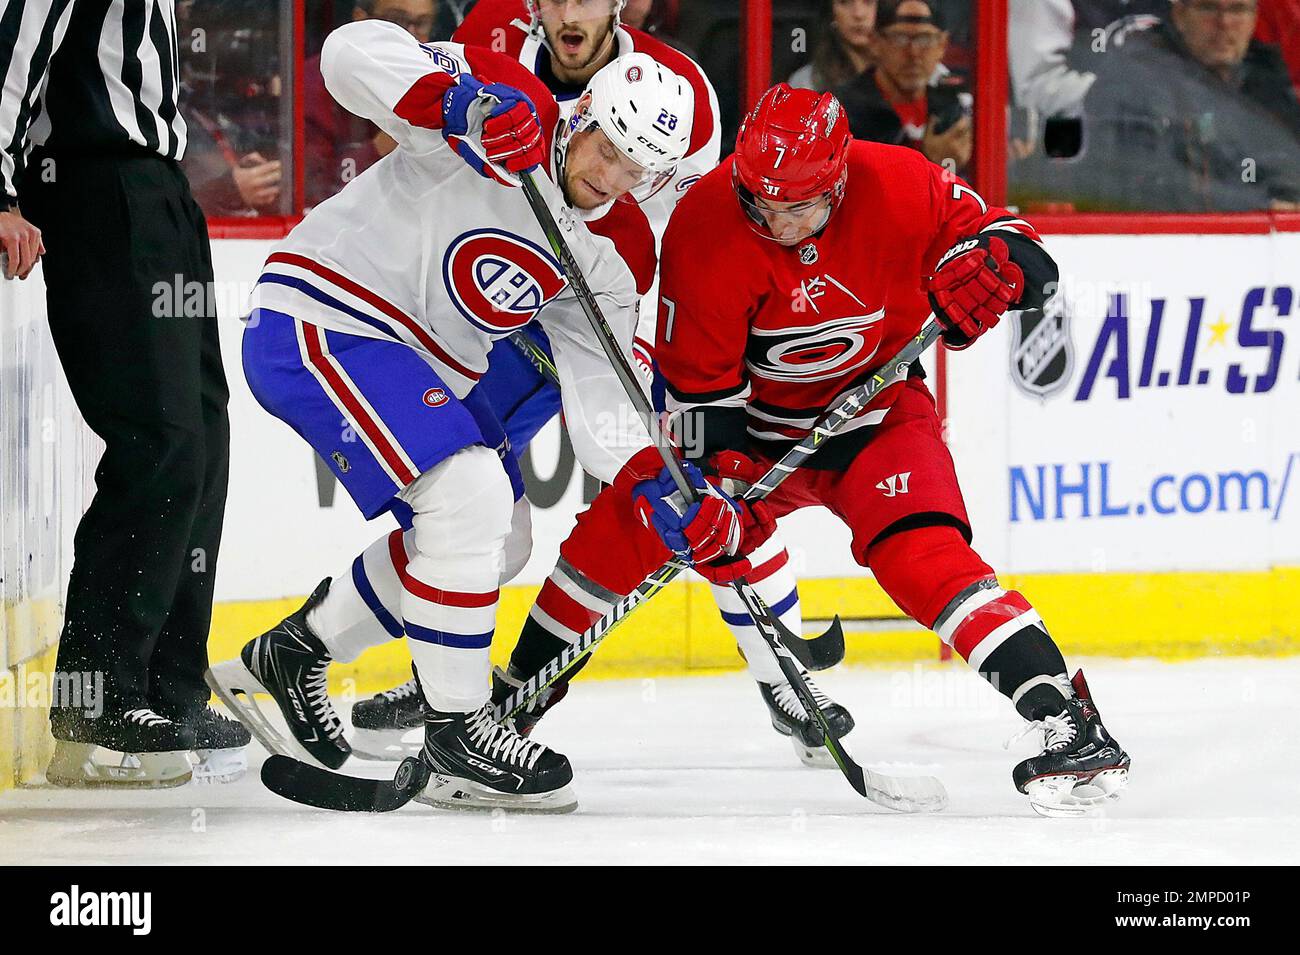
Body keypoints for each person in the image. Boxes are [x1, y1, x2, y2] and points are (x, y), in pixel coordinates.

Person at [504, 84, 1133, 817]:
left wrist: (1003, 263)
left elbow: (1018, 247)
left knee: (923, 554)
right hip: (754, 440)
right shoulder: (706, 222)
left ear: (836, 182)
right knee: (625, 528)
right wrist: (718, 494)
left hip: (878, 420)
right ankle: (508, 703)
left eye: (794, 207)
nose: (772, 222)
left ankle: (1067, 718)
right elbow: (696, 397)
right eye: (757, 202)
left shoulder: (901, 181)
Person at [207, 20, 697, 813]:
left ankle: (293, 651)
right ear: (583, 118)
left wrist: (657, 485)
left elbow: (602, 399)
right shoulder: (507, 113)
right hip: (324, 316)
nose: (614, 175)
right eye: (609, 147)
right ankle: (458, 734)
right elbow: (345, 55)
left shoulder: (610, 257)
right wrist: (458, 105)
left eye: (639, 168)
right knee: (466, 495)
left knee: (497, 537)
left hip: (408, 363)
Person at [351, 0, 855, 769]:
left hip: (611, 308)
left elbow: (696, 228)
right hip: (488, 309)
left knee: (689, 480)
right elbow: (414, 106)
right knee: (486, 523)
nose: (568, 10)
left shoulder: (675, 85)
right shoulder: (489, 35)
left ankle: (783, 671)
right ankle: (446, 688)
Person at [0, 0, 247, 787]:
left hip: (158, 190)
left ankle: (167, 687)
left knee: (204, 437)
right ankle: (97, 697)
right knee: (160, 438)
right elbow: (13, 41)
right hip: (99, 189)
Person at [1061, 0, 1300, 210]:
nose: (1225, 22)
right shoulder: (1133, 76)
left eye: (1238, 9)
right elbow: (1142, 185)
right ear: (1180, 15)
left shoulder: (1267, 77)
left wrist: (1284, 199)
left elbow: (1288, 164)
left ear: (1254, 17)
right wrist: (1257, 207)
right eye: (1209, 7)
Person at [304, 0, 440, 208]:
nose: (410, 36)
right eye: (398, 21)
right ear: (361, 19)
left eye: (421, 23)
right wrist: (380, 148)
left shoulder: (441, 80)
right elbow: (313, 190)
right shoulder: (313, 83)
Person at [835, 0, 973, 173]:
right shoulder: (842, 114)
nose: (913, 53)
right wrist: (930, 162)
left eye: (925, 39)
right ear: (875, 42)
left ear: (942, 45)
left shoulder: (954, 109)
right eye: (899, 38)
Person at [788, 0, 878, 92]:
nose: (858, 14)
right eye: (845, 2)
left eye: (868, 2)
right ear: (831, 12)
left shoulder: (891, 78)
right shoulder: (806, 83)